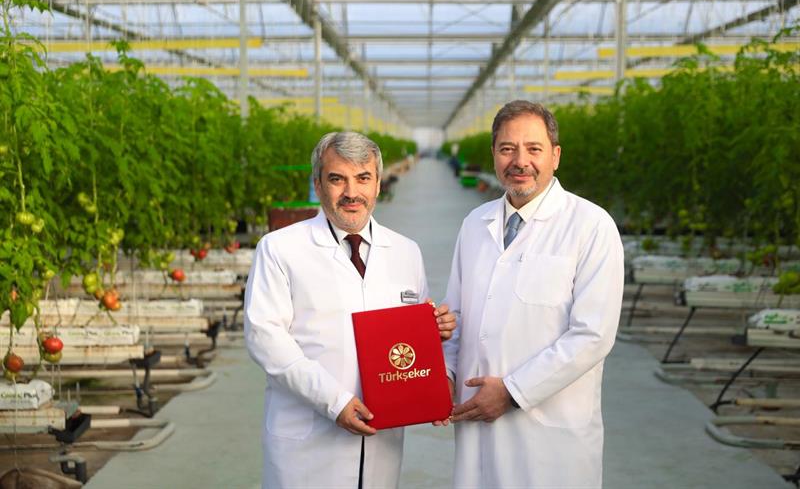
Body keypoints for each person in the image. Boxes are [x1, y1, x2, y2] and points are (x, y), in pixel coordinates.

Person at [244, 131, 456, 489]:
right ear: (317, 184)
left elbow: (409, 343)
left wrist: (436, 339)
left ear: (378, 184)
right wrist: (334, 401)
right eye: (337, 179)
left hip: (381, 440)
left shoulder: (405, 252)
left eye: (363, 178)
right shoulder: (280, 249)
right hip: (307, 443)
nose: (351, 192)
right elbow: (265, 338)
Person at [443, 100, 624, 488]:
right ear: (493, 154)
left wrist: (512, 391)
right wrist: (445, 375)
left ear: (555, 156)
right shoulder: (475, 224)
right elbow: (455, 318)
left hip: (550, 434)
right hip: (477, 423)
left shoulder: (591, 226)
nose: (519, 161)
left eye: (534, 149)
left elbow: (593, 335)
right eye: (507, 148)